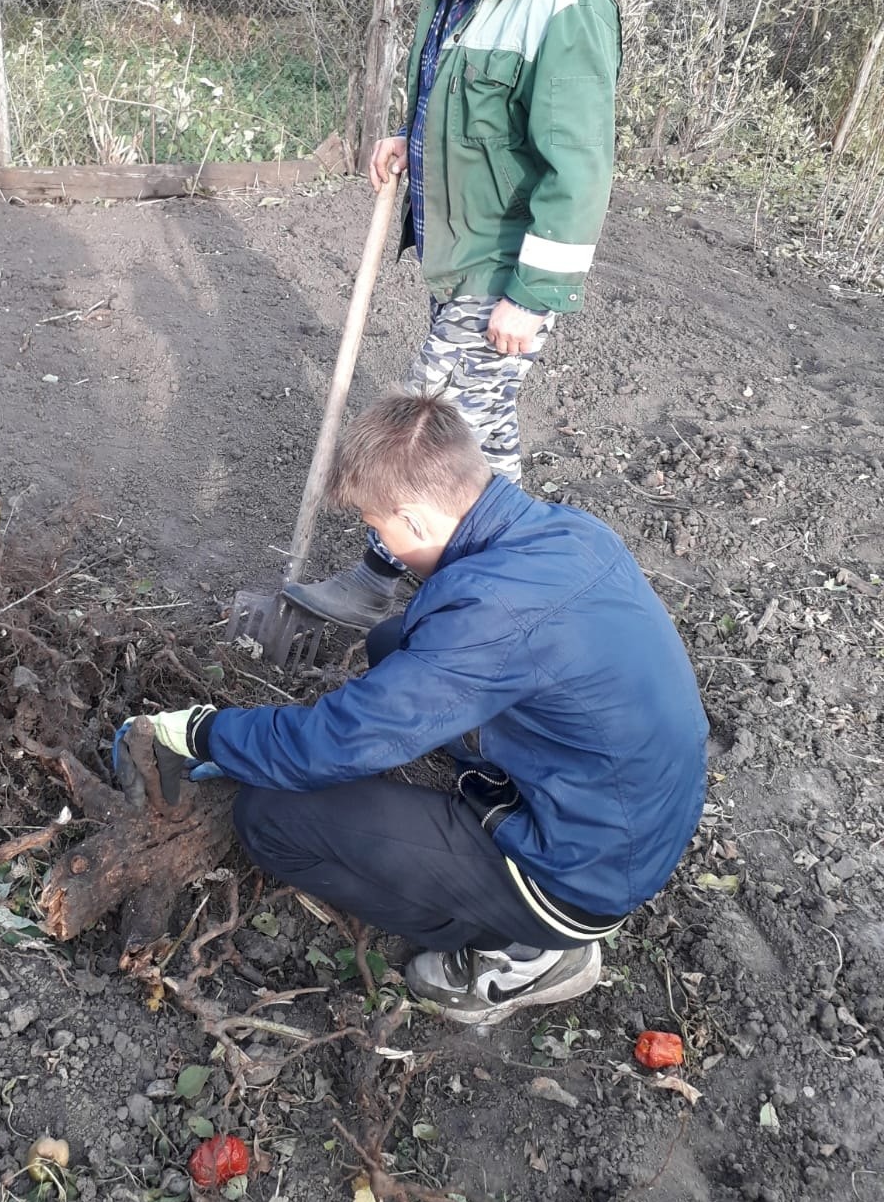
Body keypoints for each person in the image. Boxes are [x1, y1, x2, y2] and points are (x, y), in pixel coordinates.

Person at [129, 393, 707, 1029]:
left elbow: (333, 744)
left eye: (379, 529)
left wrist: (206, 732)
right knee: (391, 641)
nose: (382, 545)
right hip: (630, 808)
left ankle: (524, 954)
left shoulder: (491, 616)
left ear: (418, 520)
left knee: (269, 816)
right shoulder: (561, 531)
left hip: (578, 873)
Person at [284, 0, 622, 633]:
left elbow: (578, 169)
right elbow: (473, 110)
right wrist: (414, 138)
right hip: (455, 250)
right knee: (483, 434)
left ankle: (379, 579)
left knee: (423, 427)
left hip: (499, 267)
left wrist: (532, 294)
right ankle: (520, 594)